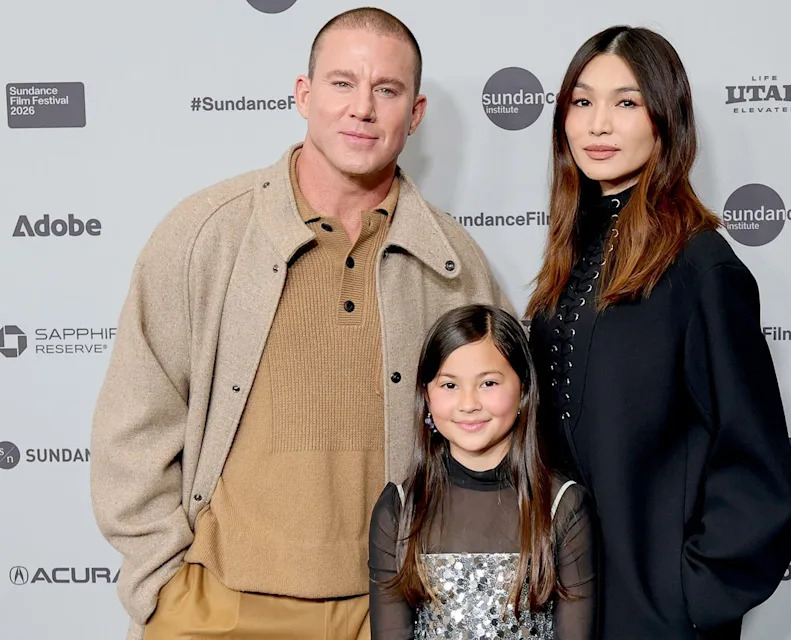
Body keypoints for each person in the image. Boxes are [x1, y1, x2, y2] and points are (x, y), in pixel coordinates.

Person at [90, 8, 511, 640]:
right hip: (218, 605)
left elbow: (500, 443)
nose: (362, 108)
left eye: (386, 90)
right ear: (304, 96)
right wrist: (164, 583)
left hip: (388, 609)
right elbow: (134, 423)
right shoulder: (205, 234)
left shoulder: (455, 266)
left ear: (415, 113)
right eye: (342, 83)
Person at [526, 26, 791, 639]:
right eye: (582, 101)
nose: (598, 125)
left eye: (626, 103)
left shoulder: (702, 267)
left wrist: (691, 598)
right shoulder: (569, 262)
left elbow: (755, 464)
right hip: (568, 609)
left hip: (656, 618)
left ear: (665, 119)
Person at [368, 304, 597, 639]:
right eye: (449, 386)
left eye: (488, 383)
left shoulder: (564, 506)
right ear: (426, 395)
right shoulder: (400, 510)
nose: (468, 402)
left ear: (523, 390)